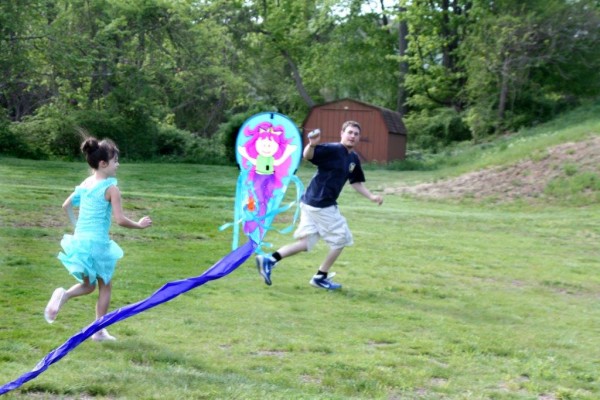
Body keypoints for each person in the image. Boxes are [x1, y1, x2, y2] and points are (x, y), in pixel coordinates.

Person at [44, 137, 152, 341]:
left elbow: (66, 205)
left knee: (89, 285)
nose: (117, 164)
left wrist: (76, 226)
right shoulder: (111, 188)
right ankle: (99, 331)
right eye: (115, 161)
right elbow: (120, 220)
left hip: (80, 241)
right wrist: (139, 224)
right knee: (105, 285)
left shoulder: (86, 183)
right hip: (97, 244)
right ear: (103, 164)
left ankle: (63, 295)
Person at [255, 120, 383, 290]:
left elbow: (356, 182)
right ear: (342, 134)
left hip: (310, 202)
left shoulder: (353, 158)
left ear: (359, 138)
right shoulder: (333, 149)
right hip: (320, 204)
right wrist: (312, 145)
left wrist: (371, 197)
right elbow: (308, 156)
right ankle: (320, 277)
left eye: (356, 134)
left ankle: (269, 260)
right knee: (342, 238)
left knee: (305, 244)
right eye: (349, 132)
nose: (352, 136)